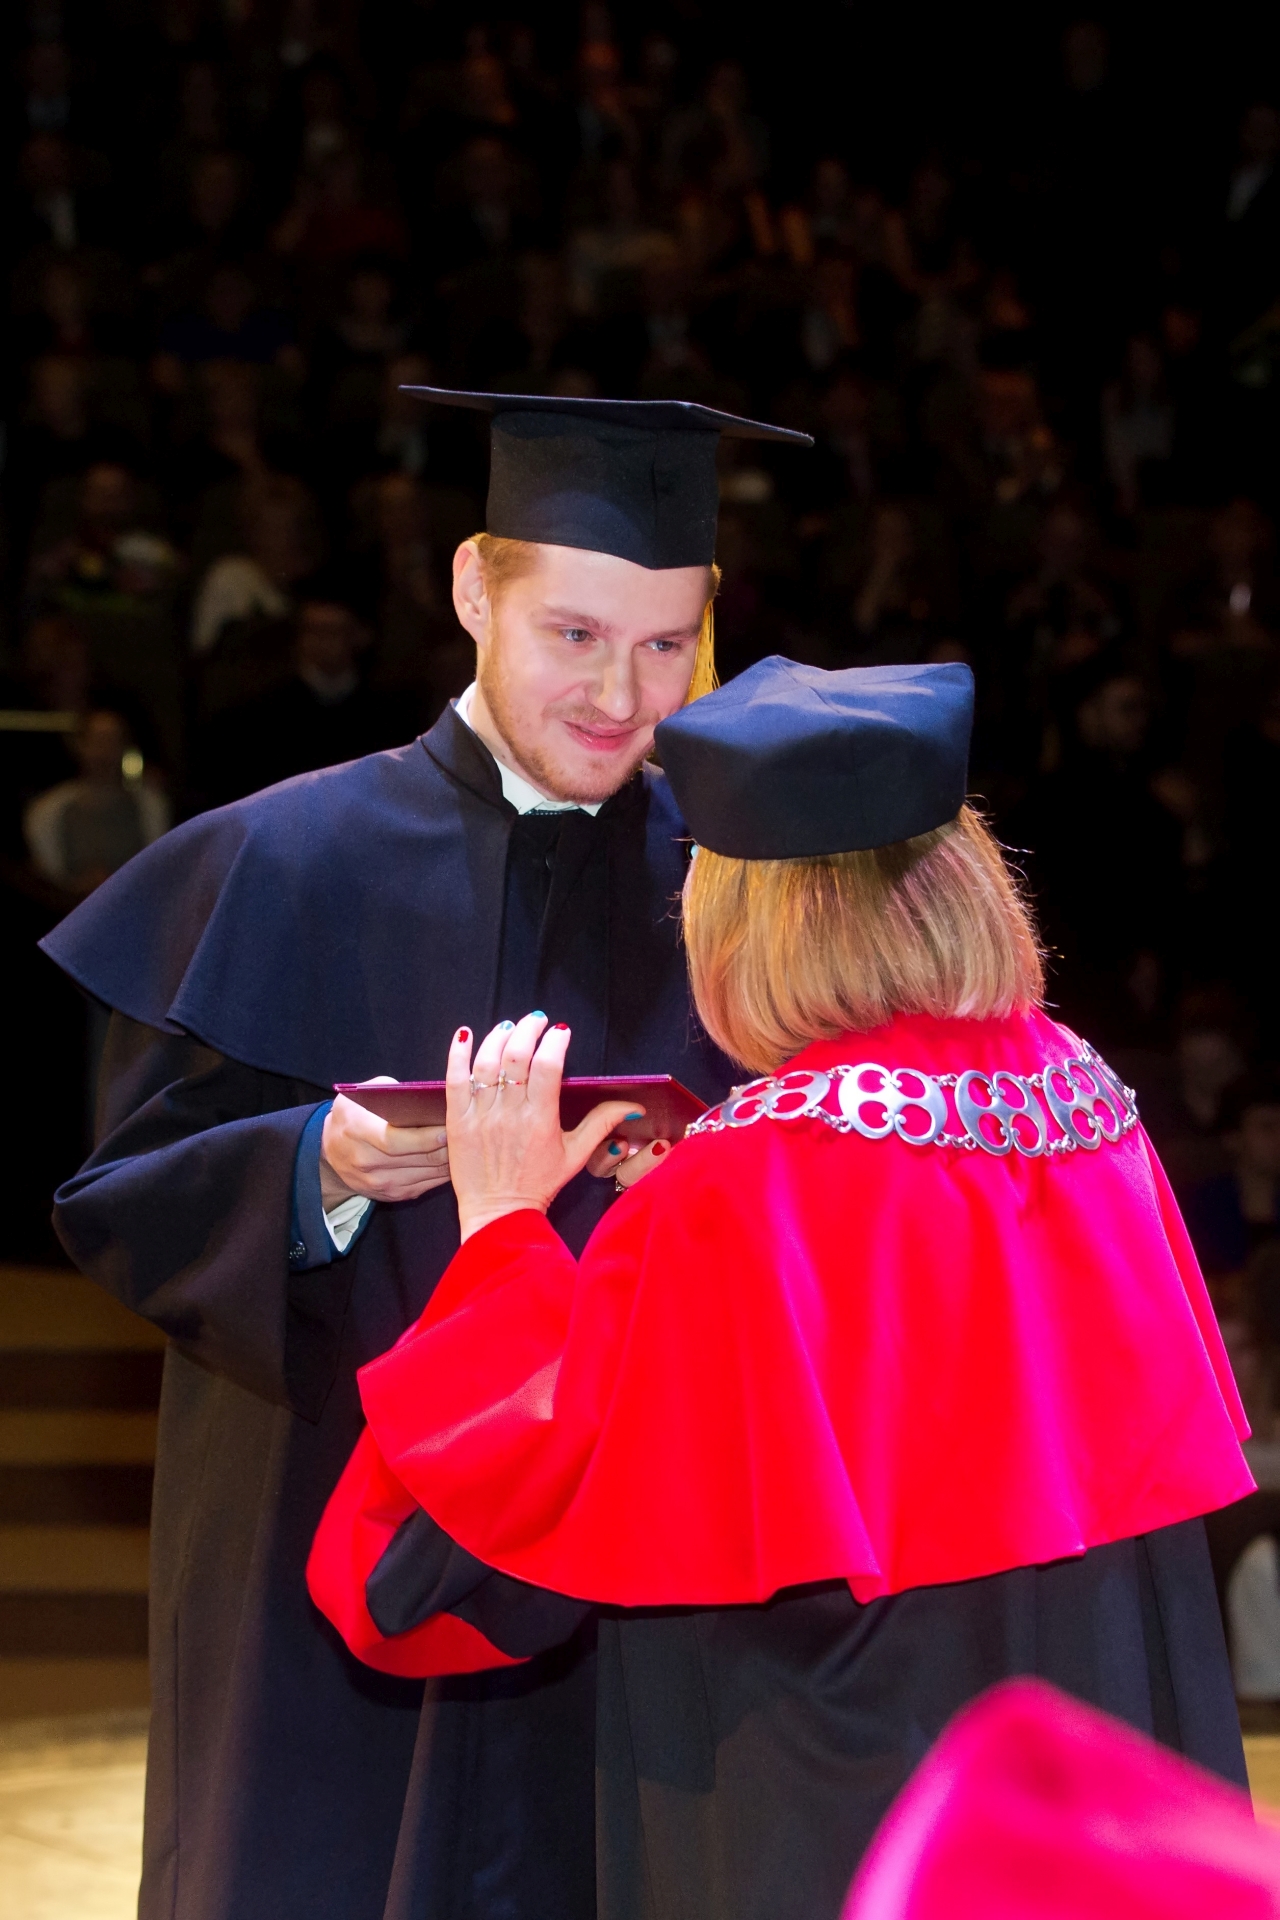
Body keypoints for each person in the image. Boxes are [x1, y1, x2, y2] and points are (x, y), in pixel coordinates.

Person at [309, 656, 1252, 1920]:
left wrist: (500, 1230)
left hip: (835, 1806)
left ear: (745, 919)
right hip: (1077, 1782)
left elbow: (476, 1537)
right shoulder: (1081, 1101)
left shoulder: (744, 1182)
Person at [40, 390, 810, 1920]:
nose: (624, 695)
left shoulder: (736, 896)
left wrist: (709, 1198)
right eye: (577, 634)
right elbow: (118, 1198)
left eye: (668, 644)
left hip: (620, 1574)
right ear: (474, 588)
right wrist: (318, 1163)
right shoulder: (281, 859)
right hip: (317, 1549)